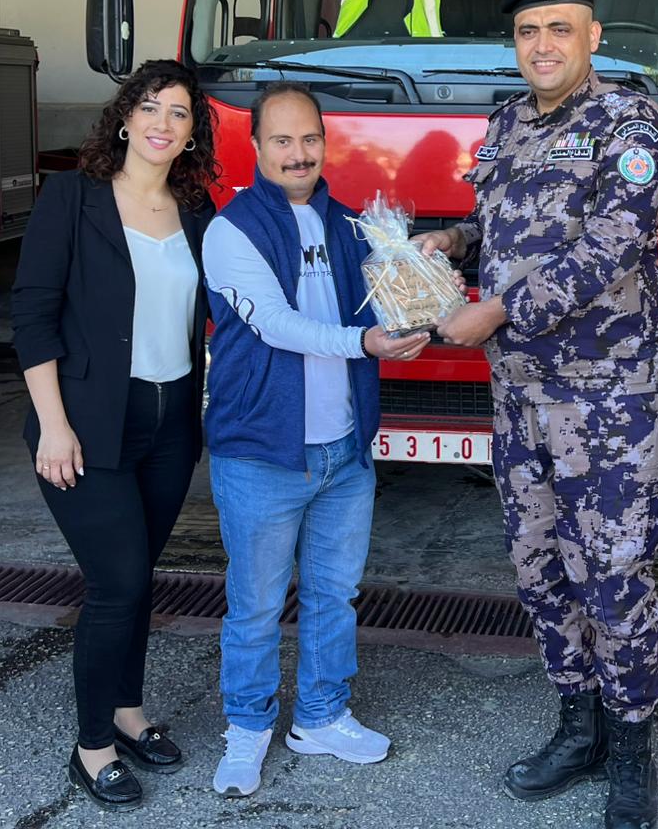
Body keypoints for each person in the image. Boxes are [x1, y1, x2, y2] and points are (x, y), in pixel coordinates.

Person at [417, 0, 658, 829]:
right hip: (520, 393)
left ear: (593, 37)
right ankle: (579, 726)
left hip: (607, 398)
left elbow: (611, 246)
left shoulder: (629, 123)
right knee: (539, 566)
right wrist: (455, 239)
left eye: (560, 28)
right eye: (529, 30)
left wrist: (497, 310)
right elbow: (506, 226)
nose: (543, 45)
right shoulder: (506, 123)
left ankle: (631, 749)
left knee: (614, 573)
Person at [203, 82, 428, 799]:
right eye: (282, 140)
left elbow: (391, 291)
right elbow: (275, 325)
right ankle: (247, 728)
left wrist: (429, 275)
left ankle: (322, 716)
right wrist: (367, 342)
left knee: (335, 594)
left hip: (343, 450)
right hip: (261, 452)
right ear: (256, 146)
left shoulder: (349, 224)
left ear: (325, 143)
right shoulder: (231, 230)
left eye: (309, 139)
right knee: (256, 604)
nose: (298, 153)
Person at [12, 59, 218, 810]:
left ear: (192, 134)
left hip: (170, 422)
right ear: (125, 117)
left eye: (180, 113)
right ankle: (92, 745)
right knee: (117, 581)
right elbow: (32, 316)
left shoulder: (196, 209)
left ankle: (128, 712)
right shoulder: (73, 198)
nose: (163, 123)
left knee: (140, 578)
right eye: (151, 106)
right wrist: (53, 426)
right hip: (87, 423)